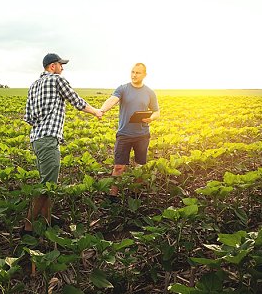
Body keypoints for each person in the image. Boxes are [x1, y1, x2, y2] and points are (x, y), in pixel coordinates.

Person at [22, 53, 103, 234]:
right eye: (61, 65)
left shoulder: (33, 85)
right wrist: (96, 112)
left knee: (48, 182)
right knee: (47, 185)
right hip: (49, 138)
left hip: (37, 139)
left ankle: (47, 219)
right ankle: (27, 227)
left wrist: (42, 123)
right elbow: (76, 101)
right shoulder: (57, 80)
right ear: (52, 66)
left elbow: (28, 117)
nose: (62, 68)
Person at [99, 62, 160, 199]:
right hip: (124, 134)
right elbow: (112, 100)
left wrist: (151, 118)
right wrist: (102, 110)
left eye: (138, 72)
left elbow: (157, 112)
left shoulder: (150, 92)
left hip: (142, 135)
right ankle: (113, 195)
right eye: (132, 72)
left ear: (144, 75)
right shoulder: (123, 88)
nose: (134, 75)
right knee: (119, 167)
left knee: (139, 167)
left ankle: (136, 194)